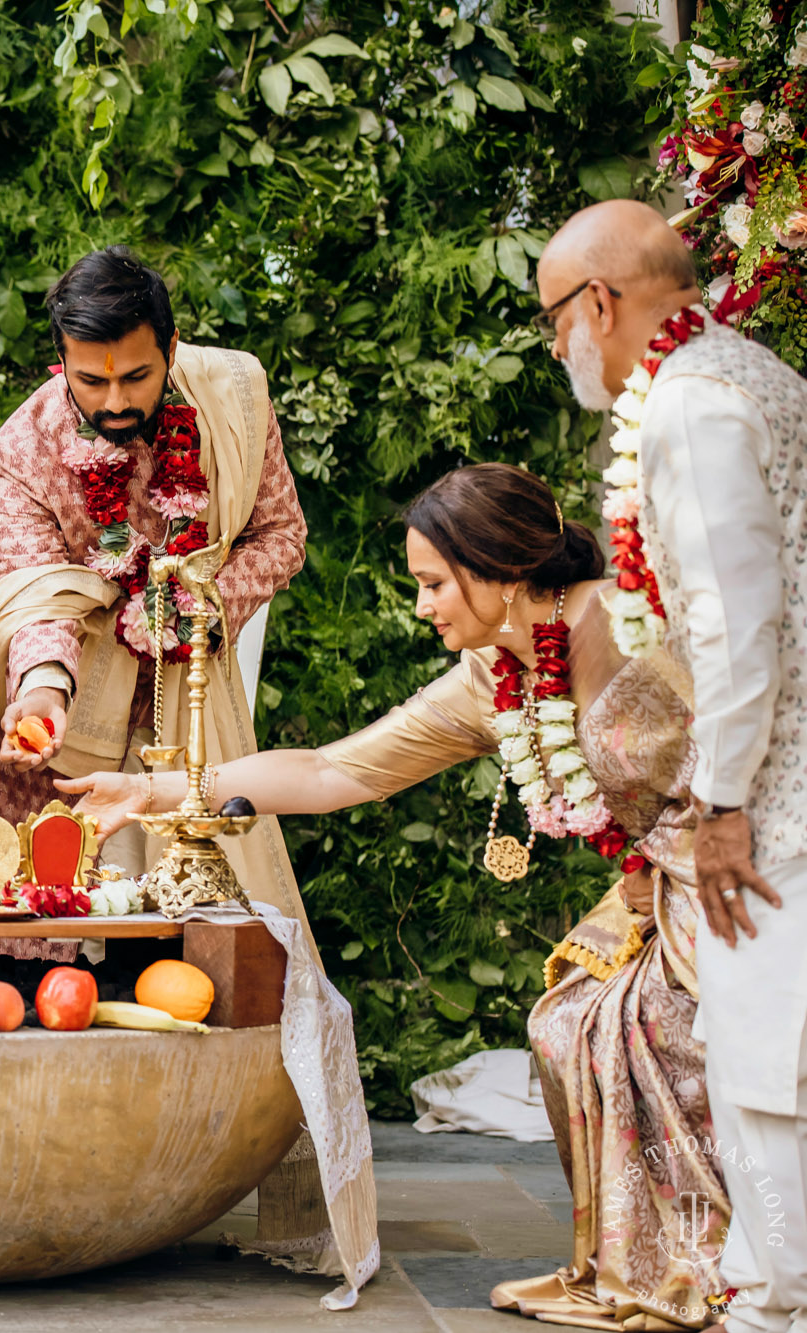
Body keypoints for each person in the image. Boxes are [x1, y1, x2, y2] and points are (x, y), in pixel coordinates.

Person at [62, 463, 727, 1330]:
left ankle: (724, 1264)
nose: (423, 607)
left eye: (434, 583)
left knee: (665, 1029)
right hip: (655, 881)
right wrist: (158, 793)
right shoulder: (497, 676)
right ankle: (621, 1265)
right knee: (566, 1022)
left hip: (739, 869)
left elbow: (760, 722)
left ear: (499, 567)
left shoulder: (638, 617)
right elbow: (338, 769)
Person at [538, 199, 807, 1333]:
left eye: (553, 322)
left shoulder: (688, 406)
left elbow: (734, 623)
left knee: (757, 1059)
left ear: (597, 302)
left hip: (778, 791)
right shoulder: (749, 372)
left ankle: (776, 1297)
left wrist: (726, 803)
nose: (560, 349)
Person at [0, 245, 308, 916]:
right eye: (90, 381)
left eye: (137, 376)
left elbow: (281, 534)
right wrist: (43, 693)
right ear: (61, 358)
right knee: (49, 930)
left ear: (171, 345)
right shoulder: (20, 452)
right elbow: (35, 599)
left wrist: (191, 605)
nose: (115, 400)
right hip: (68, 727)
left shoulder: (233, 398)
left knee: (196, 947)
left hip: (192, 709)